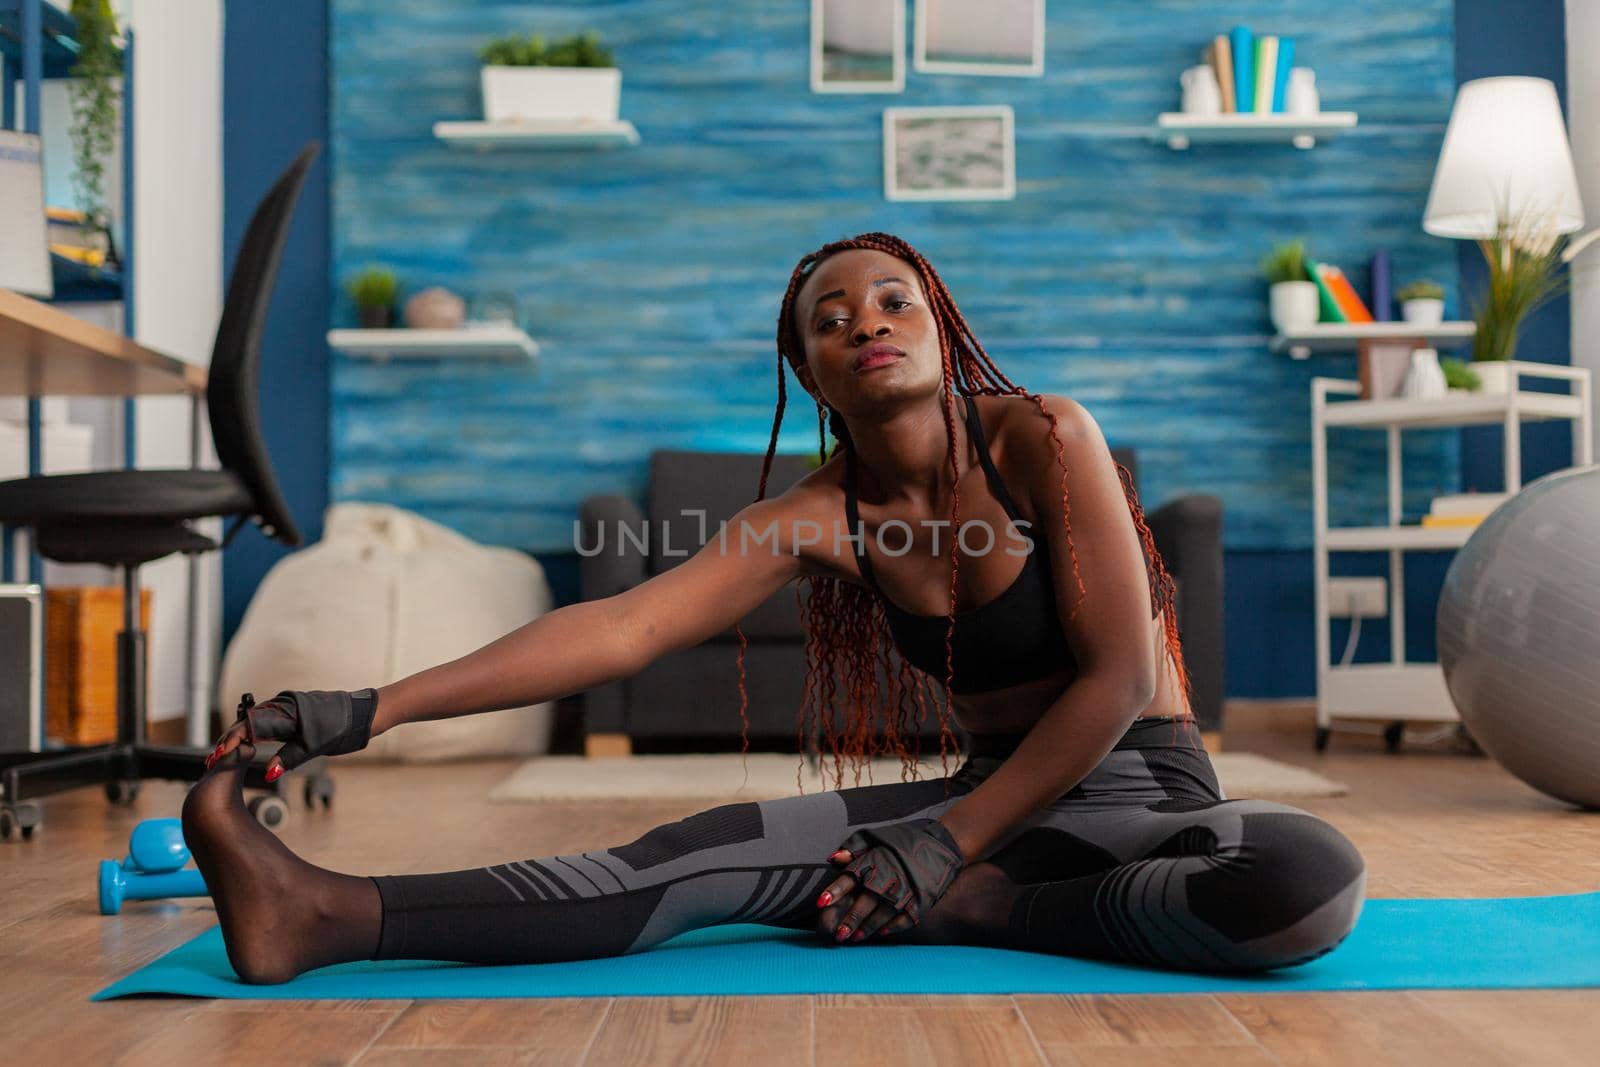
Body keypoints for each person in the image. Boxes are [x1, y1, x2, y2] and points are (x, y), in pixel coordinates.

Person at [185, 232, 1366, 985]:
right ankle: (322, 911)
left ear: (941, 329)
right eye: (832, 315)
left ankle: (981, 909)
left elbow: (1113, 681)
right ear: (808, 370)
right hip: (985, 796)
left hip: (1137, 795)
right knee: (682, 858)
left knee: (1305, 876)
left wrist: (946, 851)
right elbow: (617, 629)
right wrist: (365, 705)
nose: (868, 320)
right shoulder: (812, 515)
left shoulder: (1045, 436)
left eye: (894, 299)